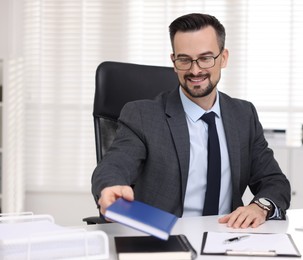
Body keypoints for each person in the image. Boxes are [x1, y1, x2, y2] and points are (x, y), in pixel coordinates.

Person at [91, 13, 291, 228]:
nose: (195, 70)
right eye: (184, 59)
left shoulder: (243, 115)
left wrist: (259, 207)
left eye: (205, 58)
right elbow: (115, 164)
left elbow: (274, 180)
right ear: (174, 62)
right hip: (165, 239)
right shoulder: (142, 115)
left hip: (227, 237)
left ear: (223, 58)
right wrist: (110, 188)